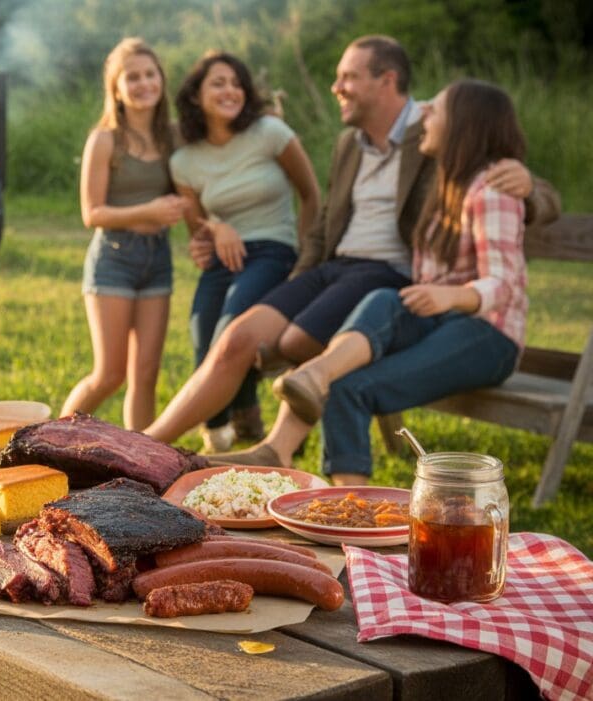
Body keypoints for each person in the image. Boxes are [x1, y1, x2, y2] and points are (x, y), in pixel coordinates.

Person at [144, 35, 558, 446]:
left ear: (386, 80)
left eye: (348, 77)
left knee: (291, 341)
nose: (336, 87)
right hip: (334, 268)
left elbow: (496, 171)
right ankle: (149, 442)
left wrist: (531, 188)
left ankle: (277, 436)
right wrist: (298, 282)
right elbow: (325, 224)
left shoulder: (436, 129)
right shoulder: (349, 144)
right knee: (237, 336)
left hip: (388, 277)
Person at [251, 78, 530, 486]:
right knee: (369, 331)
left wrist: (449, 294)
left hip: (488, 336)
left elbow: (504, 284)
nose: (423, 114)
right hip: (441, 320)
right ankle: (343, 497)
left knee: (357, 383)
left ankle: (345, 499)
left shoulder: (492, 191)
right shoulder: (444, 183)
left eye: (436, 108)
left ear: (464, 125)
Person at [170, 52, 320, 453]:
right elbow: (198, 234)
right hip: (224, 256)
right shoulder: (184, 161)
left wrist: (306, 258)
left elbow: (310, 194)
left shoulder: (270, 131)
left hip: (275, 249)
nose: (230, 90)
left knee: (228, 333)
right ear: (196, 96)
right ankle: (222, 432)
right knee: (202, 338)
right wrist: (216, 228)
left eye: (236, 82)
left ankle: (240, 425)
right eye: (218, 82)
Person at [60, 38, 186, 430]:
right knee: (110, 373)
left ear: (161, 81)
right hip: (114, 259)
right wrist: (148, 210)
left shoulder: (173, 136)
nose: (143, 83)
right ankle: (52, 439)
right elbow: (91, 212)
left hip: (157, 259)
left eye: (150, 74)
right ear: (115, 88)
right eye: (132, 77)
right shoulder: (105, 139)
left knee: (145, 374)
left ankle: (140, 464)